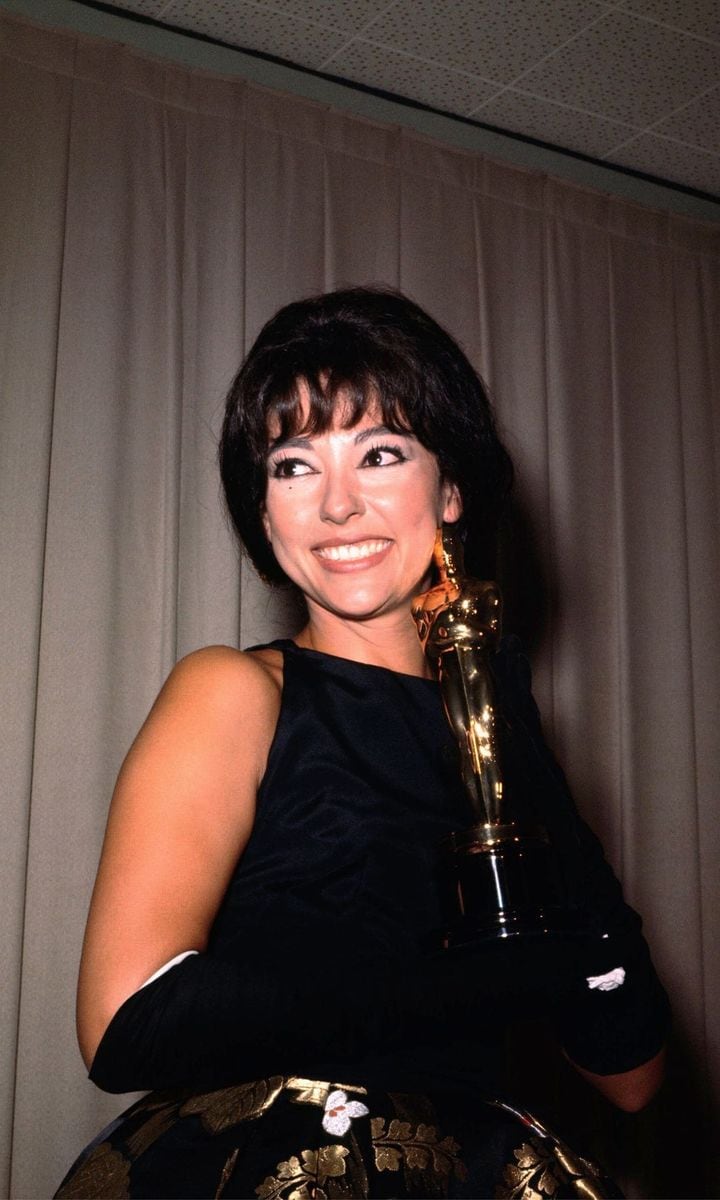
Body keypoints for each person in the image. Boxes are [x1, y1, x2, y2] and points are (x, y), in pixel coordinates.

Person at [56, 287, 669, 1200]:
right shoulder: (236, 690)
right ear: (264, 512)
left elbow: (630, 1073)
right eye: (294, 466)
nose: (337, 506)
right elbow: (125, 1024)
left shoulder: (494, 727)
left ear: (451, 489)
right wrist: (466, 981)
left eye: (379, 453)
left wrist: (514, 748)